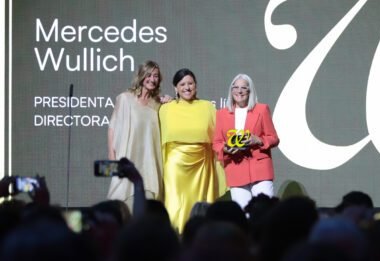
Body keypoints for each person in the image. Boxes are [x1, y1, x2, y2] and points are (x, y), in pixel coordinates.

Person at [159, 68, 225, 232]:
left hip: (202, 165)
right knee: (175, 203)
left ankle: (201, 236)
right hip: (175, 166)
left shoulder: (208, 107)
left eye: (190, 83)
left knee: (200, 203)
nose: (187, 87)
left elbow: (218, 135)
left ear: (196, 85)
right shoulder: (165, 108)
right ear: (175, 88)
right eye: (182, 84)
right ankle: (175, 238)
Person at [213, 74, 279, 209]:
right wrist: (225, 148)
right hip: (236, 169)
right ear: (231, 91)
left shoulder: (261, 109)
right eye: (236, 87)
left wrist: (258, 140)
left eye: (244, 88)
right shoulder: (222, 113)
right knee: (244, 214)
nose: (239, 91)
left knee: (265, 212)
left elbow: (274, 138)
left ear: (250, 91)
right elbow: (217, 142)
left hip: (260, 169)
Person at [107, 61, 163, 209]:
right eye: (148, 75)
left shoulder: (159, 104)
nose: (152, 79)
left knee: (146, 207)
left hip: (149, 164)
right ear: (141, 76)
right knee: (121, 205)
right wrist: (112, 161)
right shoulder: (125, 98)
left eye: (156, 76)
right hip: (127, 160)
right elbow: (112, 127)